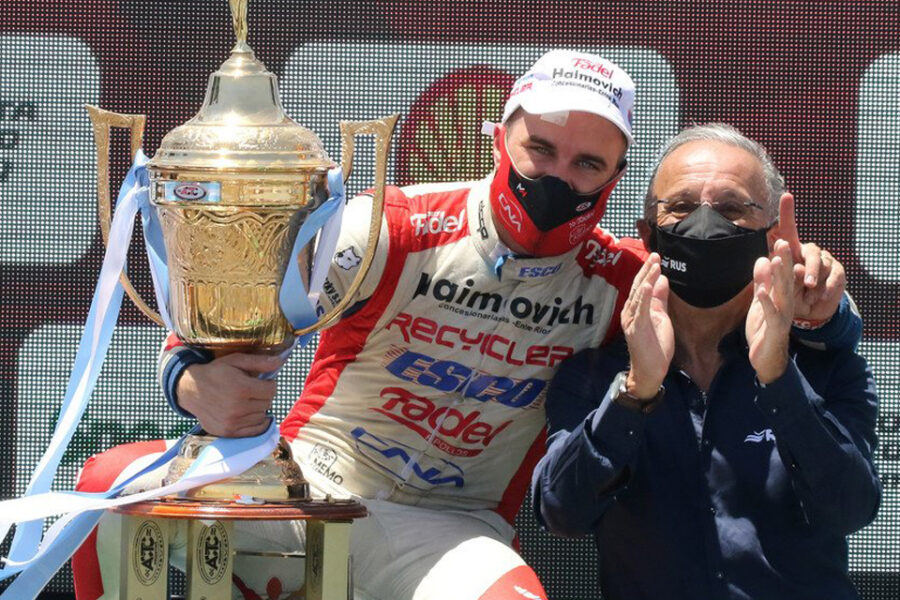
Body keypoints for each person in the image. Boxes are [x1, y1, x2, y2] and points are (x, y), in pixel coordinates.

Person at [73, 52, 856, 600]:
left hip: (447, 529)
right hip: (308, 488)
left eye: (587, 165)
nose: (558, 176)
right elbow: (221, 310)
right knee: (99, 491)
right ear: (497, 141)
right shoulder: (393, 226)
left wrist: (829, 298)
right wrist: (191, 378)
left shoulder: (624, 277)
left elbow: (747, 290)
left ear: (616, 180)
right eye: (539, 148)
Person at [531, 123, 880, 600]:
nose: (703, 224)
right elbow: (561, 512)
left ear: (771, 235)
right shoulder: (595, 374)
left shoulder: (825, 362)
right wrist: (636, 391)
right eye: (679, 207)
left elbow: (851, 508)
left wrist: (778, 376)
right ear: (647, 235)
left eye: (732, 208)